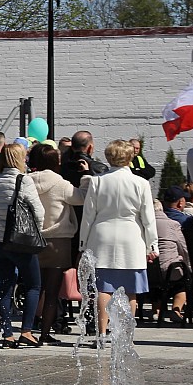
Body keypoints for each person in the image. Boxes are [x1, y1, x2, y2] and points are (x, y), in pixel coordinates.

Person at [79, 139, 159, 340]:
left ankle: (101, 332)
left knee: (103, 289)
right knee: (131, 290)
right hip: (131, 237)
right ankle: (125, 333)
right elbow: (148, 218)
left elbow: (88, 216)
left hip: (101, 236)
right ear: (131, 157)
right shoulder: (141, 183)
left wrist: (83, 244)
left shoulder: (97, 181)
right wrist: (153, 244)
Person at [0, 143, 45, 347]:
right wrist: (36, 232)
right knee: (33, 285)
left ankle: (7, 334)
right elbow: (39, 212)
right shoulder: (24, 180)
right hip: (20, 242)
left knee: (3, 288)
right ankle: (26, 331)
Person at [27, 143, 83, 343]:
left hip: (32, 240)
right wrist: (85, 177)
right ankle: (45, 333)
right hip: (58, 241)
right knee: (52, 292)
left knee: (34, 288)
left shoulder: (26, 181)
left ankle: (27, 329)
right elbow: (80, 198)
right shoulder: (61, 183)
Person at [152, 199, 192, 324]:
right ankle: (176, 309)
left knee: (155, 282)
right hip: (170, 269)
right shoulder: (173, 224)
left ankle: (156, 309)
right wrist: (188, 265)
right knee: (182, 282)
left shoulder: (140, 225)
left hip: (148, 269)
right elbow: (183, 247)